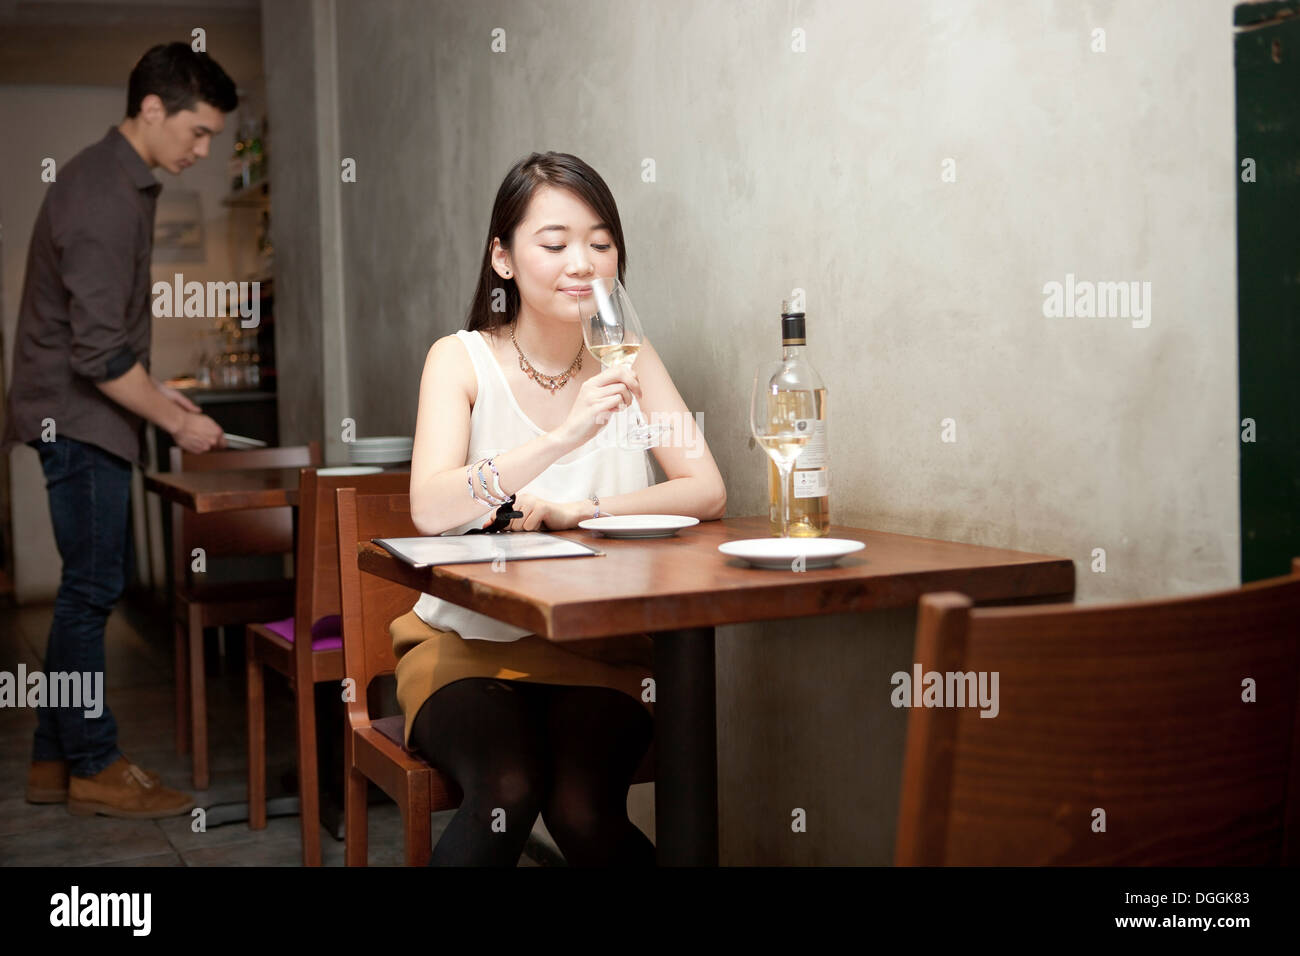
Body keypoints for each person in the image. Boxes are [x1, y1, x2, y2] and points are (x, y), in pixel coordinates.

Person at [398, 151, 727, 865]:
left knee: (581, 807)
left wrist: (582, 508)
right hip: (468, 645)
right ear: (504, 258)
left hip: (599, 646)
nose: (582, 261)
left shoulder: (629, 358)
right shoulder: (459, 360)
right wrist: (560, 437)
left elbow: (705, 488)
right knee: (506, 790)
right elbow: (428, 506)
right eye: (554, 244)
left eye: (600, 242)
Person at [4, 43, 237, 818]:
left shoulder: (116, 181)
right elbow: (100, 356)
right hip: (77, 421)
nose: (203, 151)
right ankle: (96, 764)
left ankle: (49, 762)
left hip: (79, 414)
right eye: (198, 133)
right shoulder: (103, 195)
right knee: (90, 592)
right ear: (151, 111)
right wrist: (179, 418)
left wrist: (161, 396)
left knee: (81, 590)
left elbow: (103, 340)